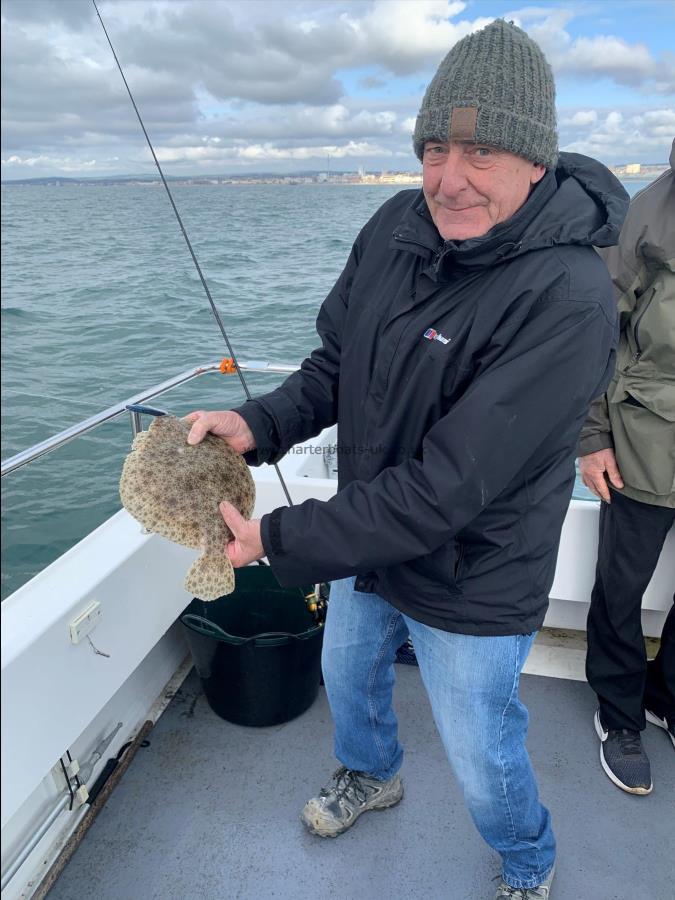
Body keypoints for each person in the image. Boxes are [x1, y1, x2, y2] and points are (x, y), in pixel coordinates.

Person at [187, 20, 628, 899]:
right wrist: (257, 426)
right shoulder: (396, 222)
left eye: (481, 152)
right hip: (367, 544)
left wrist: (276, 538)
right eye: (434, 148)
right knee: (347, 682)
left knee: (480, 746)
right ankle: (371, 772)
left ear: (535, 160)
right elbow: (334, 364)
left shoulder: (570, 296)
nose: (448, 179)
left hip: (476, 573)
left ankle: (526, 861)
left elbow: (447, 486)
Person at [579, 139, 675, 796]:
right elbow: (594, 328)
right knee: (620, 589)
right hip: (642, 436)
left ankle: (666, 696)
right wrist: (590, 435)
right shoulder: (648, 212)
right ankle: (617, 714)